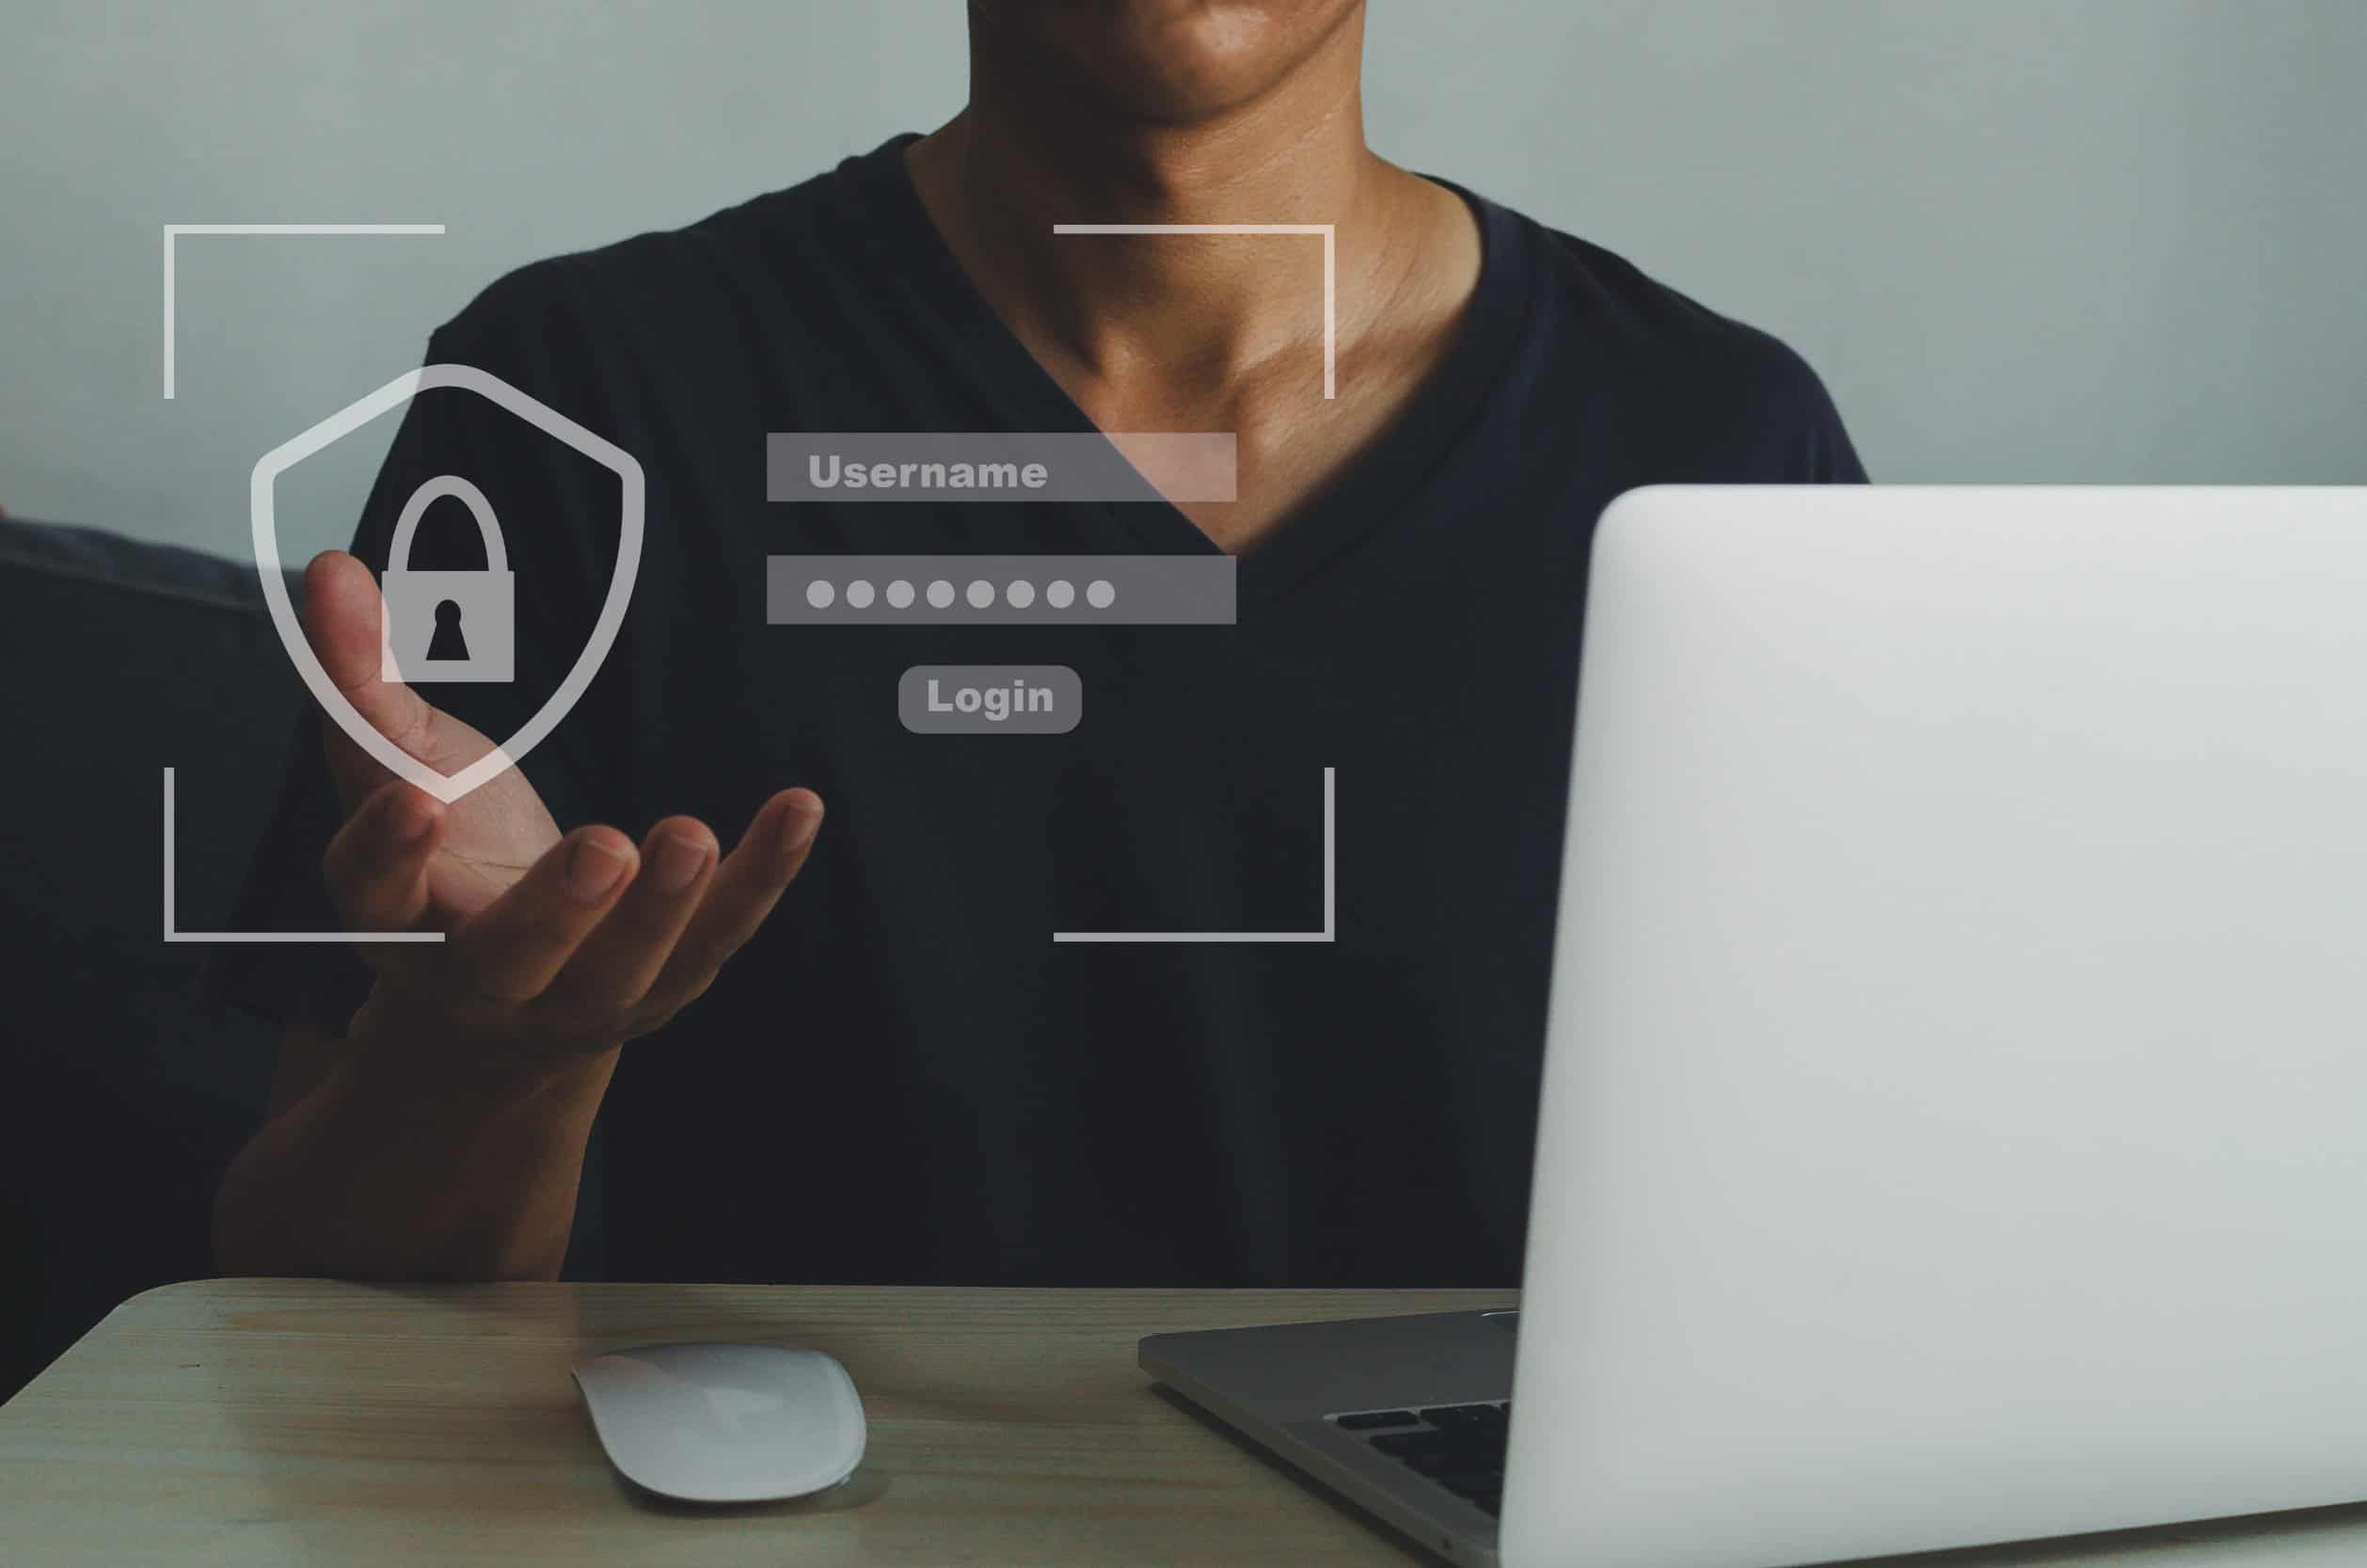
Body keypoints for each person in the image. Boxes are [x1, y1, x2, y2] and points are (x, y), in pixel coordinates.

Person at [213, 1, 1863, 1286]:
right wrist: (498, 1065)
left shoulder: (1715, 441)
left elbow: (1871, 1201)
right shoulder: (576, 406)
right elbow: (295, 1306)